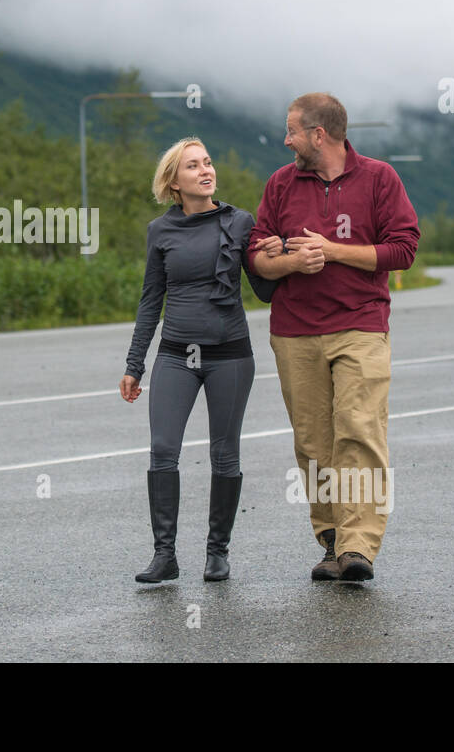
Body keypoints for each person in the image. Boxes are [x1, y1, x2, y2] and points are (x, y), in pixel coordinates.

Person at [247, 93, 419, 582]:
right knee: (313, 443)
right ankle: (331, 541)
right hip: (295, 331)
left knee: (359, 430)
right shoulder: (281, 184)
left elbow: (403, 249)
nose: (286, 139)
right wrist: (290, 261)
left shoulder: (380, 178)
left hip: (361, 325)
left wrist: (333, 251)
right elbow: (256, 258)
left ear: (319, 135)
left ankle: (359, 545)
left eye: (292, 130)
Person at [121, 137, 280, 583]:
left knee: (224, 453)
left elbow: (264, 291)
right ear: (175, 182)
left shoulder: (241, 222)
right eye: (193, 166)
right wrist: (135, 365)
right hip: (175, 355)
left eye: (208, 162)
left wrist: (279, 258)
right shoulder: (160, 232)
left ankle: (217, 553)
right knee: (163, 450)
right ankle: (164, 555)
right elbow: (151, 301)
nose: (206, 171)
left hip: (230, 355)